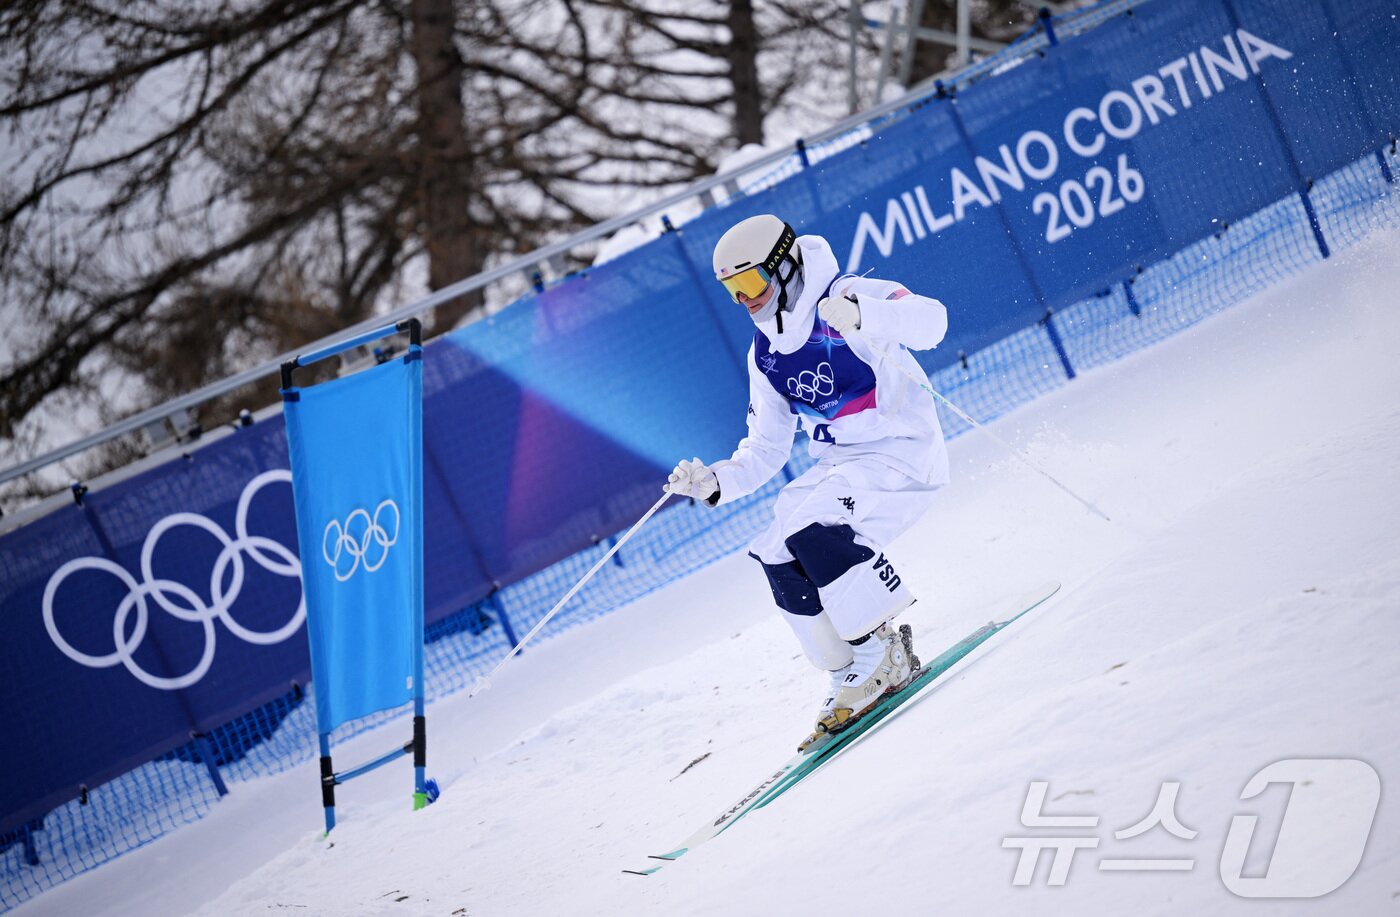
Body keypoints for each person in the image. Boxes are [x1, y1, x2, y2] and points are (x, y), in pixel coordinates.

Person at [666, 213, 951, 750]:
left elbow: (933, 322)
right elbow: (766, 449)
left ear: (787, 265)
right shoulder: (766, 354)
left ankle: (880, 651)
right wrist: (713, 482)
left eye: (751, 282)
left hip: (901, 453)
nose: (746, 300)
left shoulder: (846, 293)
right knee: (775, 549)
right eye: (733, 290)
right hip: (844, 466)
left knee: (812, 526)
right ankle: (848, 671)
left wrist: (867, 315)